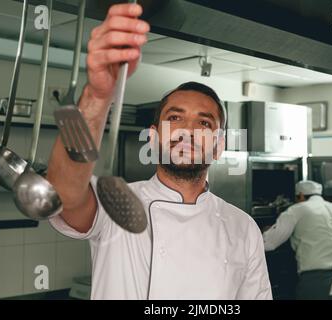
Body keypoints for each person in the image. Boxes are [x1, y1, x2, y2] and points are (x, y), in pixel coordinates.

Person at [46, 3, 271, 300]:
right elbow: (62, 192)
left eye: (204, 123)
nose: (187, 130)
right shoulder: (117, 206)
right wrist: (98, 95)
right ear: (152, 139)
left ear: (218, 147)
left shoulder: (244, 228)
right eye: (175, 118)